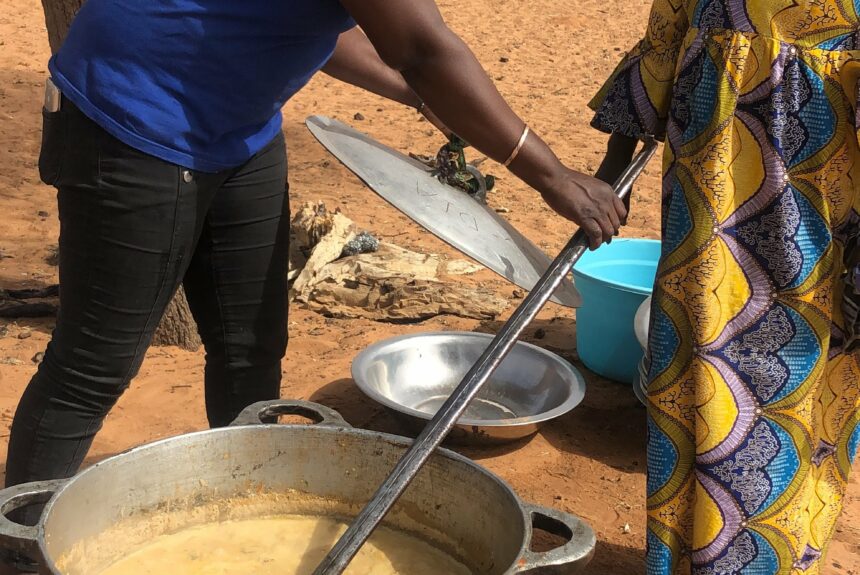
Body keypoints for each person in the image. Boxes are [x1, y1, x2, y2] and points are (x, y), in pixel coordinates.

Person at [3, 1, 626, 568]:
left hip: (240, 129)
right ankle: (21, 547)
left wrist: (415, 96)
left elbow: (321, 26)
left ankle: (246, 512)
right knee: (93, 365)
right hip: (137, 115)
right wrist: (550, 175)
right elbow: (423, 48)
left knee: (252, 344)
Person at [591, 1, 860, 573]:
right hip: (702, 228)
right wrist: (610, 171)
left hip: (818, 240)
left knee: (795, 402)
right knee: (694, 384)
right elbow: (662, 44)